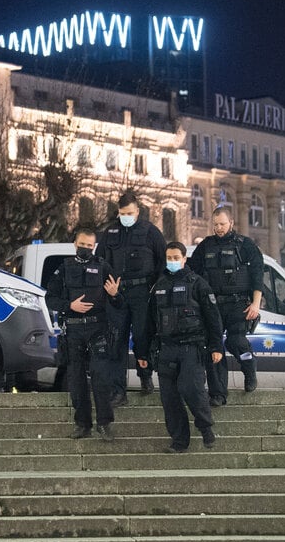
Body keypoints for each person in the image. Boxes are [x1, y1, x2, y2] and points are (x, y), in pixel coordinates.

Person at [139, 242, 223, 453]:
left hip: (191, 348)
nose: (173, 261)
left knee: (191, 388)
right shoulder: (158, 285)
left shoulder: (198, 284)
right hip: (165, 349)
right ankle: (179, 442)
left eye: (177, 257)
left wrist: (216, 347)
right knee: (169, 399)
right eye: (169, 257)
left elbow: (213, 318)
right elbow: (148, 323)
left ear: (184, 259)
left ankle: (205, 428)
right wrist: (142, 352)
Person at [45, 227, 125, 441]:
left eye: (90, 246)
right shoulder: (64, 268)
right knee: (76, 380)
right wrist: (69, 305)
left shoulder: (103, 267)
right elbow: (49, 298)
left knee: (101, 378)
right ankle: (82, 425)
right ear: (75, 244)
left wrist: (115, 295)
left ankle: (105, 424)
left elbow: (119, 302)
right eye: (83, 245)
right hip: (73, 330)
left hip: (98, 328)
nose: (86, 249)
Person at [187, 206, 264, 406]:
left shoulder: (245, 245)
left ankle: (249, 367)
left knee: (236, 341)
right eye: (215, 224)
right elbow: (191, 273)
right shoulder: (206, 246)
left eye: (222, 224)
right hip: (213, 305)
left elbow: (257, 275)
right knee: (214, 348)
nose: (219, 228)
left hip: (239, 303)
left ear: (231, 223)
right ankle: (218, 394)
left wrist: (256, 304)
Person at [96, 190, 167, 403]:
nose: (125, 216)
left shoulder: (150, 232)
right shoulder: (110, 233)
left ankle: (145, 375)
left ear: (137, 211)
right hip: (116, 295)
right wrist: (107, 288)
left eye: (129, 212)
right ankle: (118, 391)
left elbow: (162, 263)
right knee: (115, 341)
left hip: (142, 294)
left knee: (142, 338)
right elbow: (100, 262)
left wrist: (155, 289)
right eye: (122, 213)